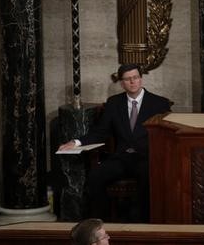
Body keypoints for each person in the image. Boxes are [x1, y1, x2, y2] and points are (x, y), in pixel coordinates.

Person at [58, 64, 171, 222]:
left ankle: (141, 224)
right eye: (127, 79)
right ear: (122, 83)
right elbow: (101, 132)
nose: (132, 82)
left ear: (141, 79)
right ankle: (101, 222)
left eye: (135, 78)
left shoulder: (159, 103)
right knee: (95, 176)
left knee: (148, 179)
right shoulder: (114, 103)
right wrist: (76, 142)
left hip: (147, 158)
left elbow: (166, 134)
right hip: (121, 158)